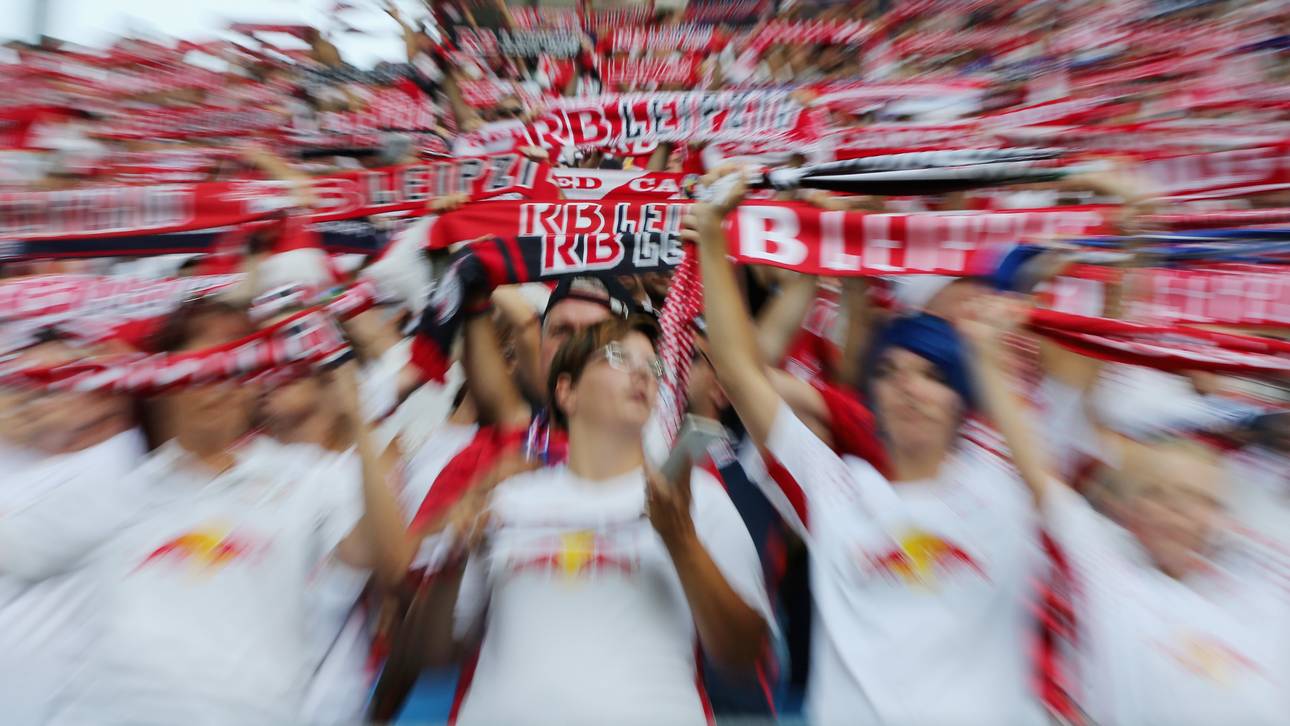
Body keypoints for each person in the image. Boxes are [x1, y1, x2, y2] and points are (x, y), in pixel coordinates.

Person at [687, 170, 1045, 725]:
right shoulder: (839, 491)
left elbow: (1051, 264)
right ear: (870, 392)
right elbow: (738, 372)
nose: (909, 386)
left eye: (931, 375)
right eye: (890, 371)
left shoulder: (1006, 489)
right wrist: (712, 239)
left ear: (961, 397)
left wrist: (993, 349)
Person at [48, 298, 408, 725]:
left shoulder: (309, 480)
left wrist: (356, 412)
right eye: (202, 362)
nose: (218, 380)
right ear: (165, 382)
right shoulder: (111, 486)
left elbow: (389, 558)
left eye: (234, 361)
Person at [406, 315, 773, 726]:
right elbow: (431, 656)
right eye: (617, 356)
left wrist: (681, 542)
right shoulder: (507, 501)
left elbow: (744, 654)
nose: (641, 372)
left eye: (653, 366)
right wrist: (452, 557)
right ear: (567, 391)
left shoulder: (694, 499)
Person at [962, 296, 1290, 725]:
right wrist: (985, 355)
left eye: (1193, 498)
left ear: (1218, 515)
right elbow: (1037, 470)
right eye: (1157, 495)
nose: (1174, 512)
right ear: (1129, 511)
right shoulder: (1109, 573)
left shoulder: (1266, 583)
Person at [0, 331, 145, 726]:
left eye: (51, 385)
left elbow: (15, 546)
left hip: (69, 708)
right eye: (22, 386)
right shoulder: (11, 457)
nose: (31, 401)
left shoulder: (119, 465)